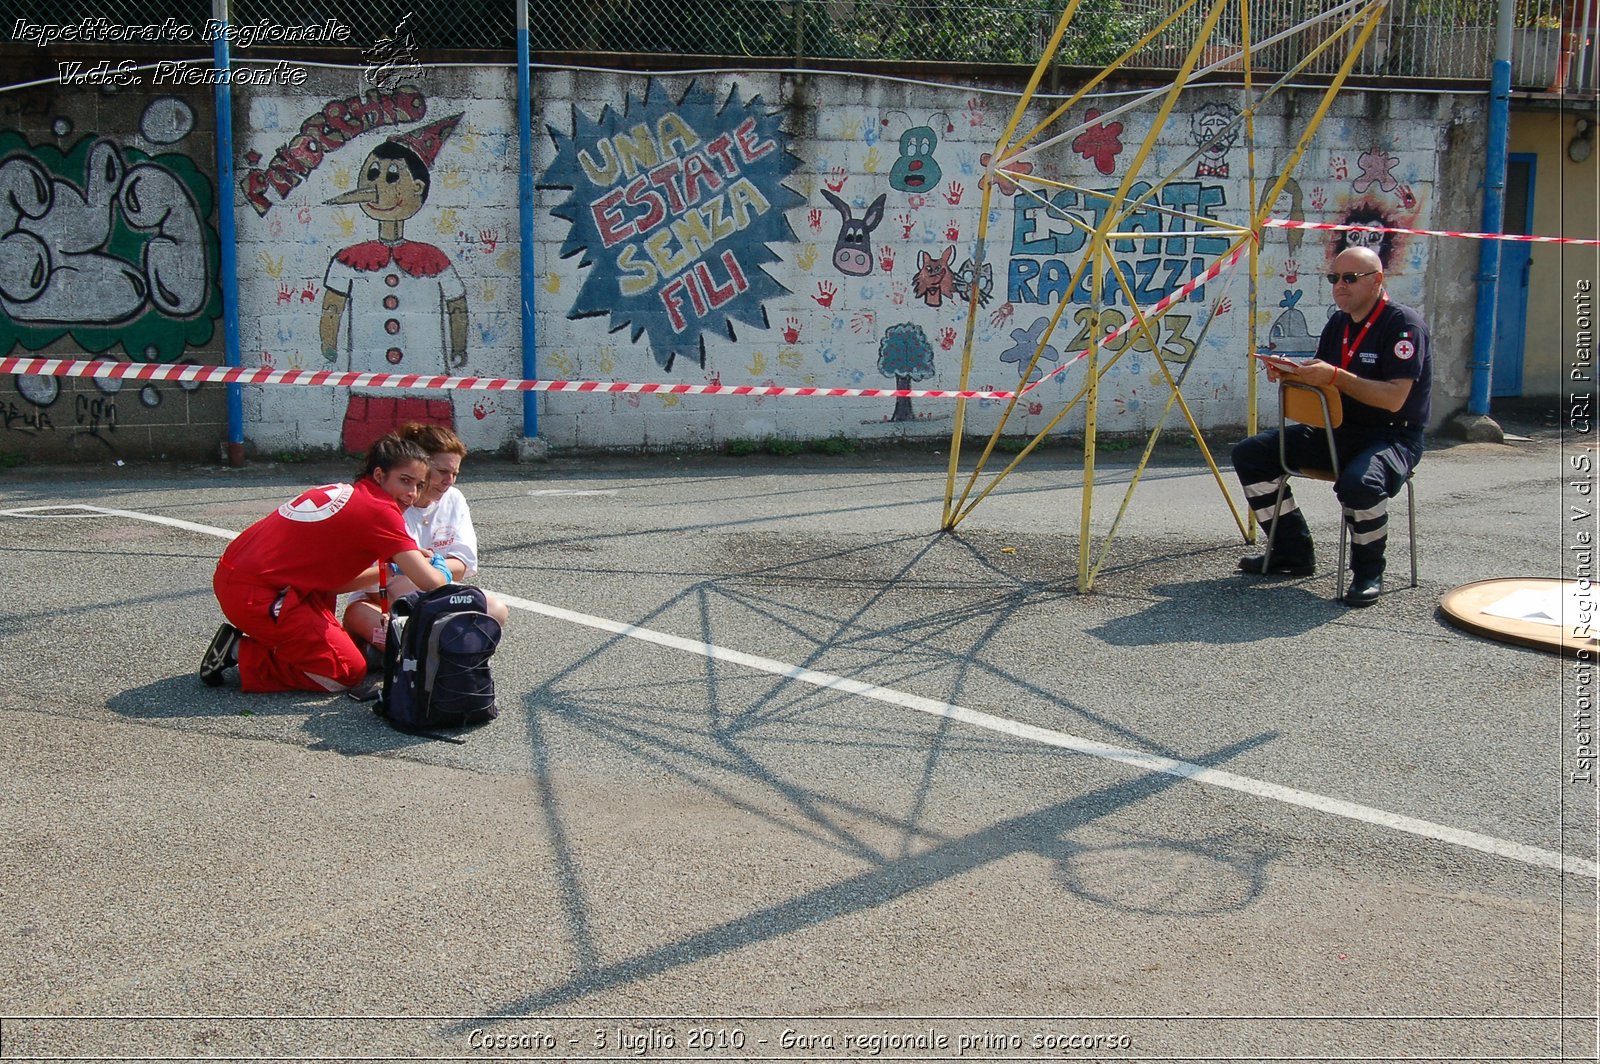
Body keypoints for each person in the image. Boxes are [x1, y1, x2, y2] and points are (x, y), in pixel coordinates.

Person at [1232, 245, 1431, 608]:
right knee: (1252, 454)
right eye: (1334, 278)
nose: (1340, 286)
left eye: (1350, 278)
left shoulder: (1403, 325)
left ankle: (1369, 572)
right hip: (1338, 430)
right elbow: (1325, 382)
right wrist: (1293, 374)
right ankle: (1291, 552)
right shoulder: (1338, 323)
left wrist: (1337, 375)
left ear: (1377, 281)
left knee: (1360, 484)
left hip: (1393, 434)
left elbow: (1394, 398)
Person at [199, 435, 451, 692]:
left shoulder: (351, 492)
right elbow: (430, 582)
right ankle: (237, 650)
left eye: (419, 485)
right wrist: (443, 571)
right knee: (346, 673)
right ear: (379, 474)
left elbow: (332, 585)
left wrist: (392, 566)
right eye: (405, 481)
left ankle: (286, 644)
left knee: (339, 649)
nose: (412, 494)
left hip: (245, 581)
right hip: (259, 595)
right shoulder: (381, 511)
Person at [341, 422, 511, 655]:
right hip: (385, 602)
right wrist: (406, 574)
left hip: (437, 597)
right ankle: (433, 651)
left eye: (455, 474)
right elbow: (370, 583)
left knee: (495, 610)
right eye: (442, 472)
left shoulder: (454, 499)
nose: (449, 481)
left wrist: (427, 568)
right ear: (421, 467)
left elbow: (462, 563)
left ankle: (409, 652)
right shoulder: (390, 503)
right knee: (361, 613)